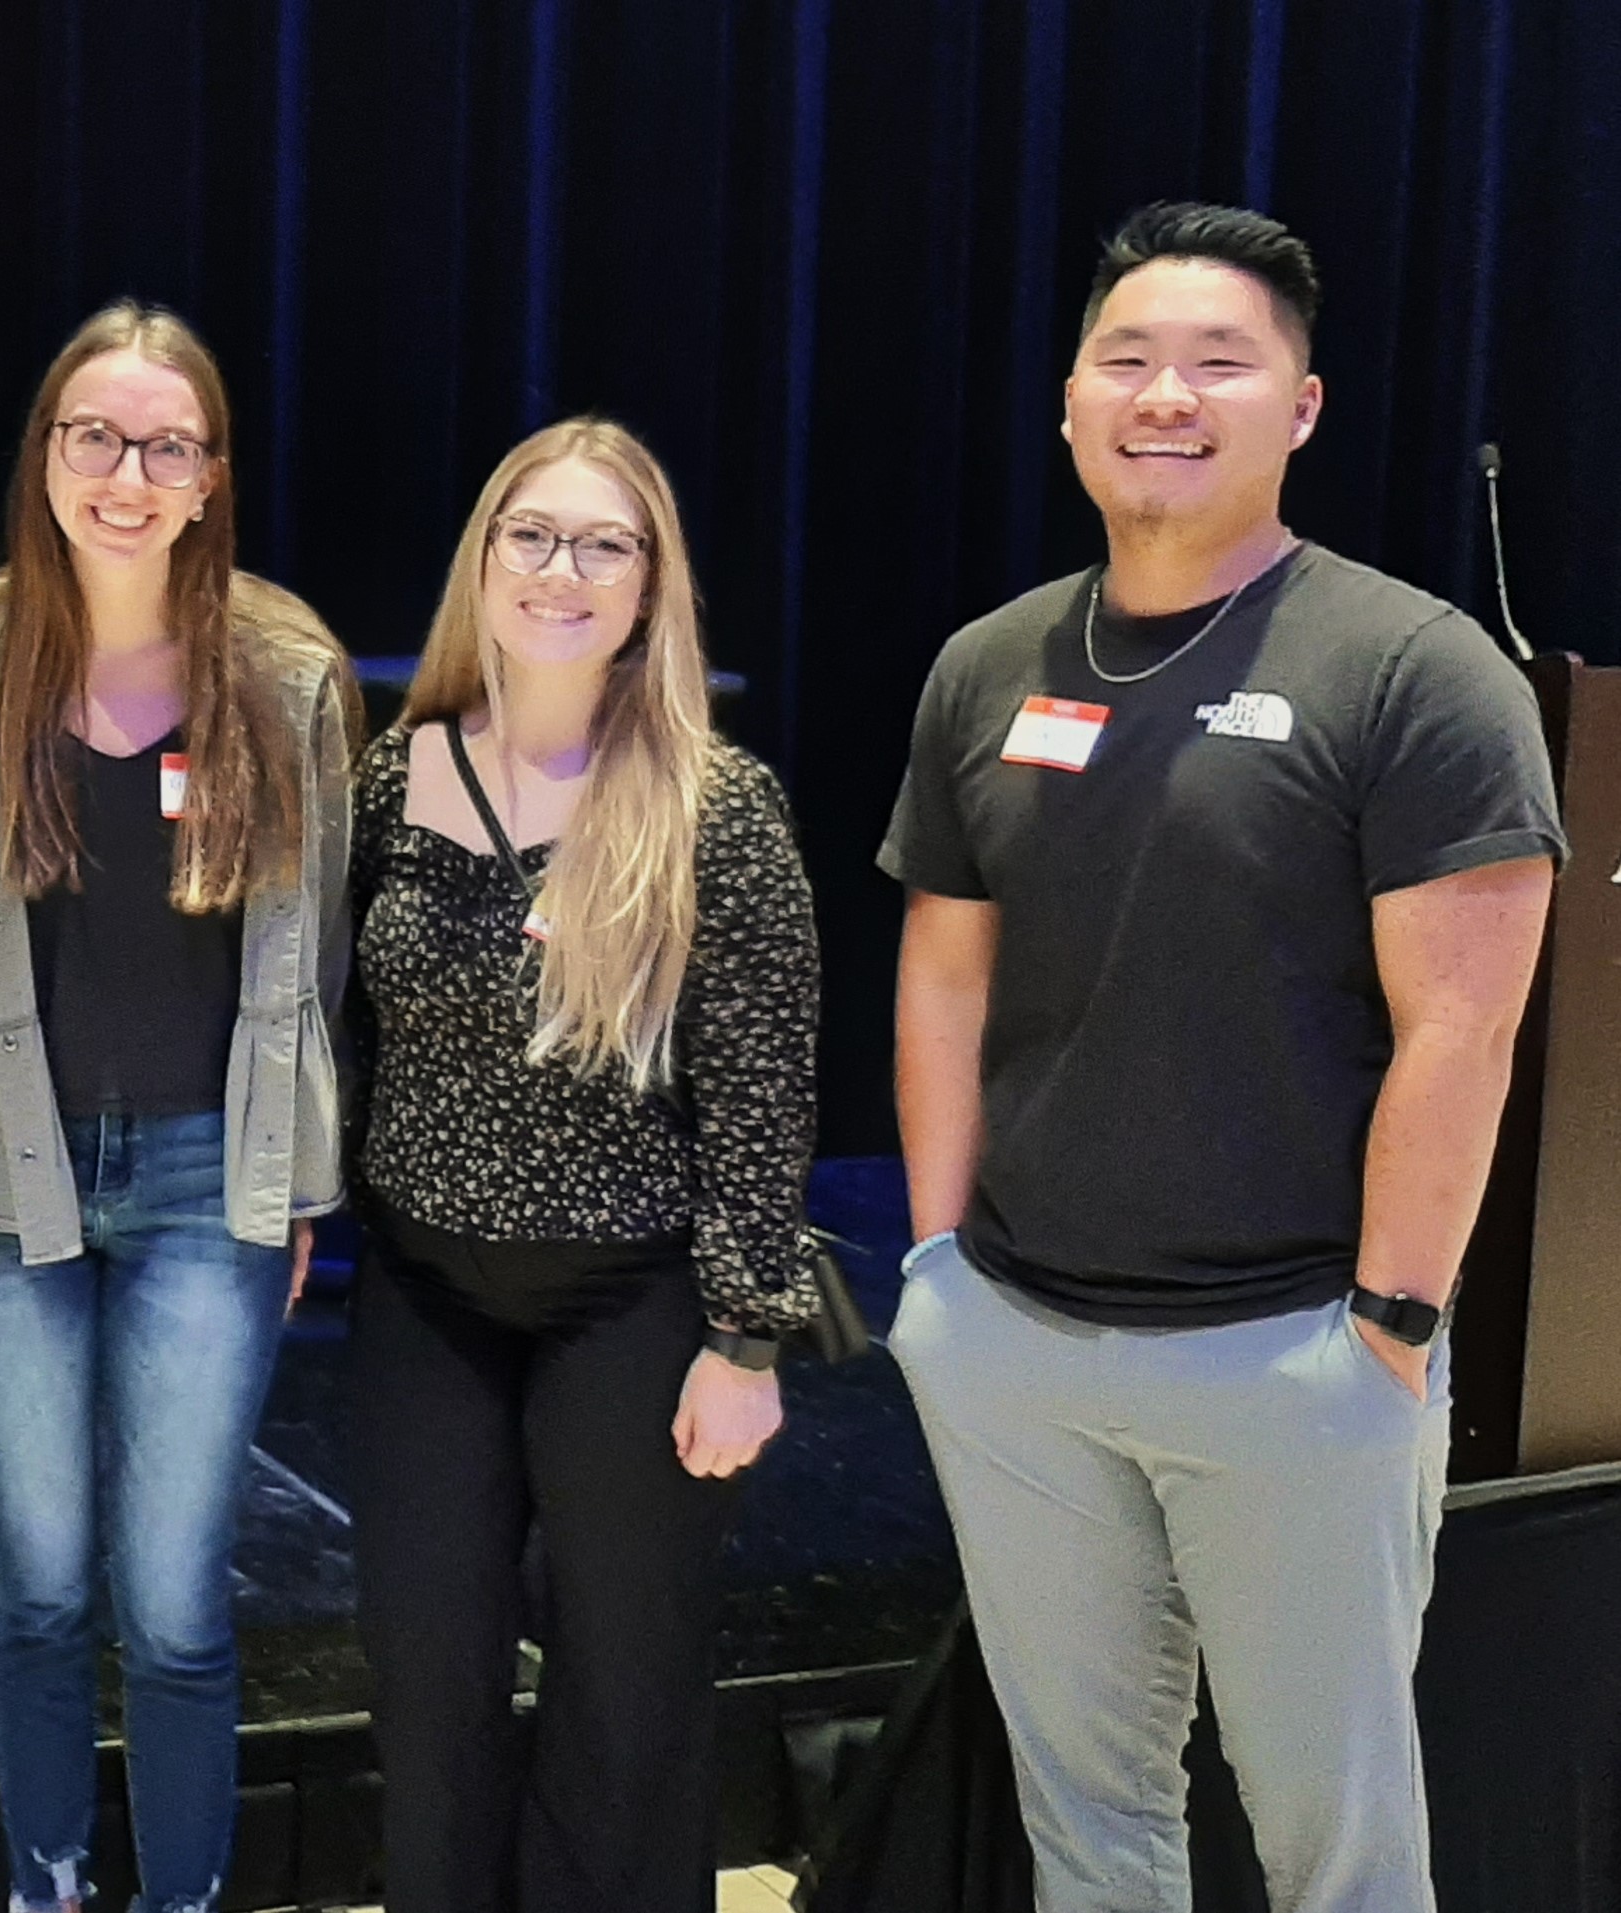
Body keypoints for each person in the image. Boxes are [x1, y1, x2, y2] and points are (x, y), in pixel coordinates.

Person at [882, 202, 1563, 1913]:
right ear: (1068, 403)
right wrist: (942, 1273)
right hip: (1019, 1347)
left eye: (1217, 361)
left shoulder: (1417, 670)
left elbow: (1464, 1026)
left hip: (1297, 1358)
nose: (1165, 392)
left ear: (1302, 406)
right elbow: (947, 982)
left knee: (1333, 1849)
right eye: (1127, 358)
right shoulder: (990, 665)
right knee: (1087, 1828)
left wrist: (1393, 1325)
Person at [0, 301, 357, 1913]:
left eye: (167, 444)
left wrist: (293, 1182)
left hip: (195, 1187)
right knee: (35, 1591)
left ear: (211, 475)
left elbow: (316, 951)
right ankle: (46, 1888)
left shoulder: (284, 673)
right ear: (47, 457)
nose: (128, 472)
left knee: (172, 1605)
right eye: (95, 436)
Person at [344, 418, 820, 1912]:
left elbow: (764, 1082)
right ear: (483, 563)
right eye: (531, 534)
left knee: (629, 1687)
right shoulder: (393, 776)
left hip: (635, 1306)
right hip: (426, 1298)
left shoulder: (711, 804)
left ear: (649, 583)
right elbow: (348, 1027)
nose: (563, 569)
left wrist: (746, 1335)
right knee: (427, 1669)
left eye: (603, 542)